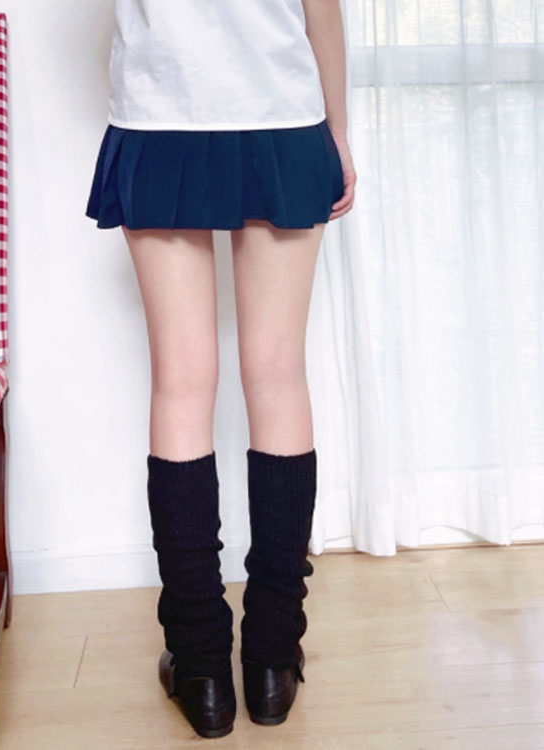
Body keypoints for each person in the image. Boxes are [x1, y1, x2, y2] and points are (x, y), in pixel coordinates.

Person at [86, 0, 355, 739]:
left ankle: (202, 667)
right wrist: (337, 130)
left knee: (180, 382)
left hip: (160, 113)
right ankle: (271, 660)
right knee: (278, 374)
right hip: (279, 108)